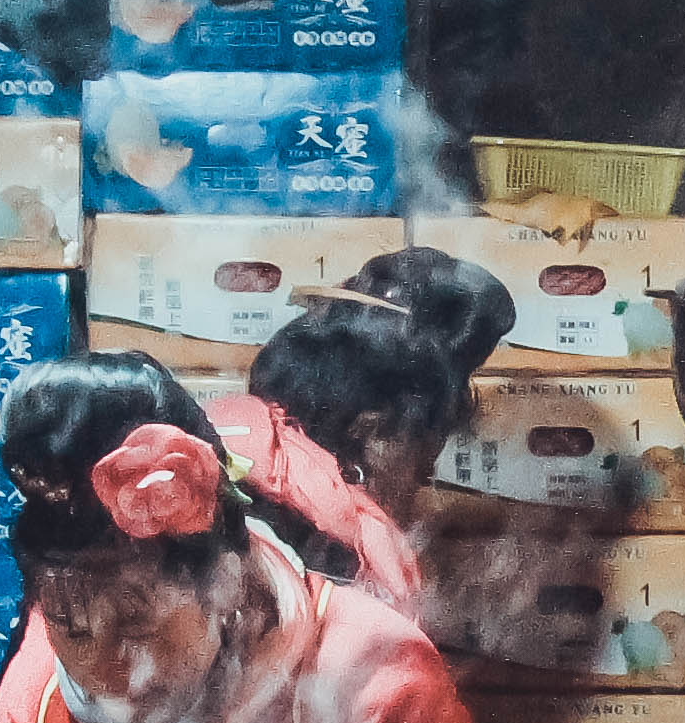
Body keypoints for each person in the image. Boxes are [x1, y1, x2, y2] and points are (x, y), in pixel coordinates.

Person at [0, 354, 475, 723]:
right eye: (71, 628)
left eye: (136, 625)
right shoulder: (42, 697)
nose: (106, 673)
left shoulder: (377, 685)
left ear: (228, 584)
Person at [211, 247, 518, 612]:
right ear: (371, 432)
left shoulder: (233, 456)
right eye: (425, 451)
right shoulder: (325, 561)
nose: (426, 475)